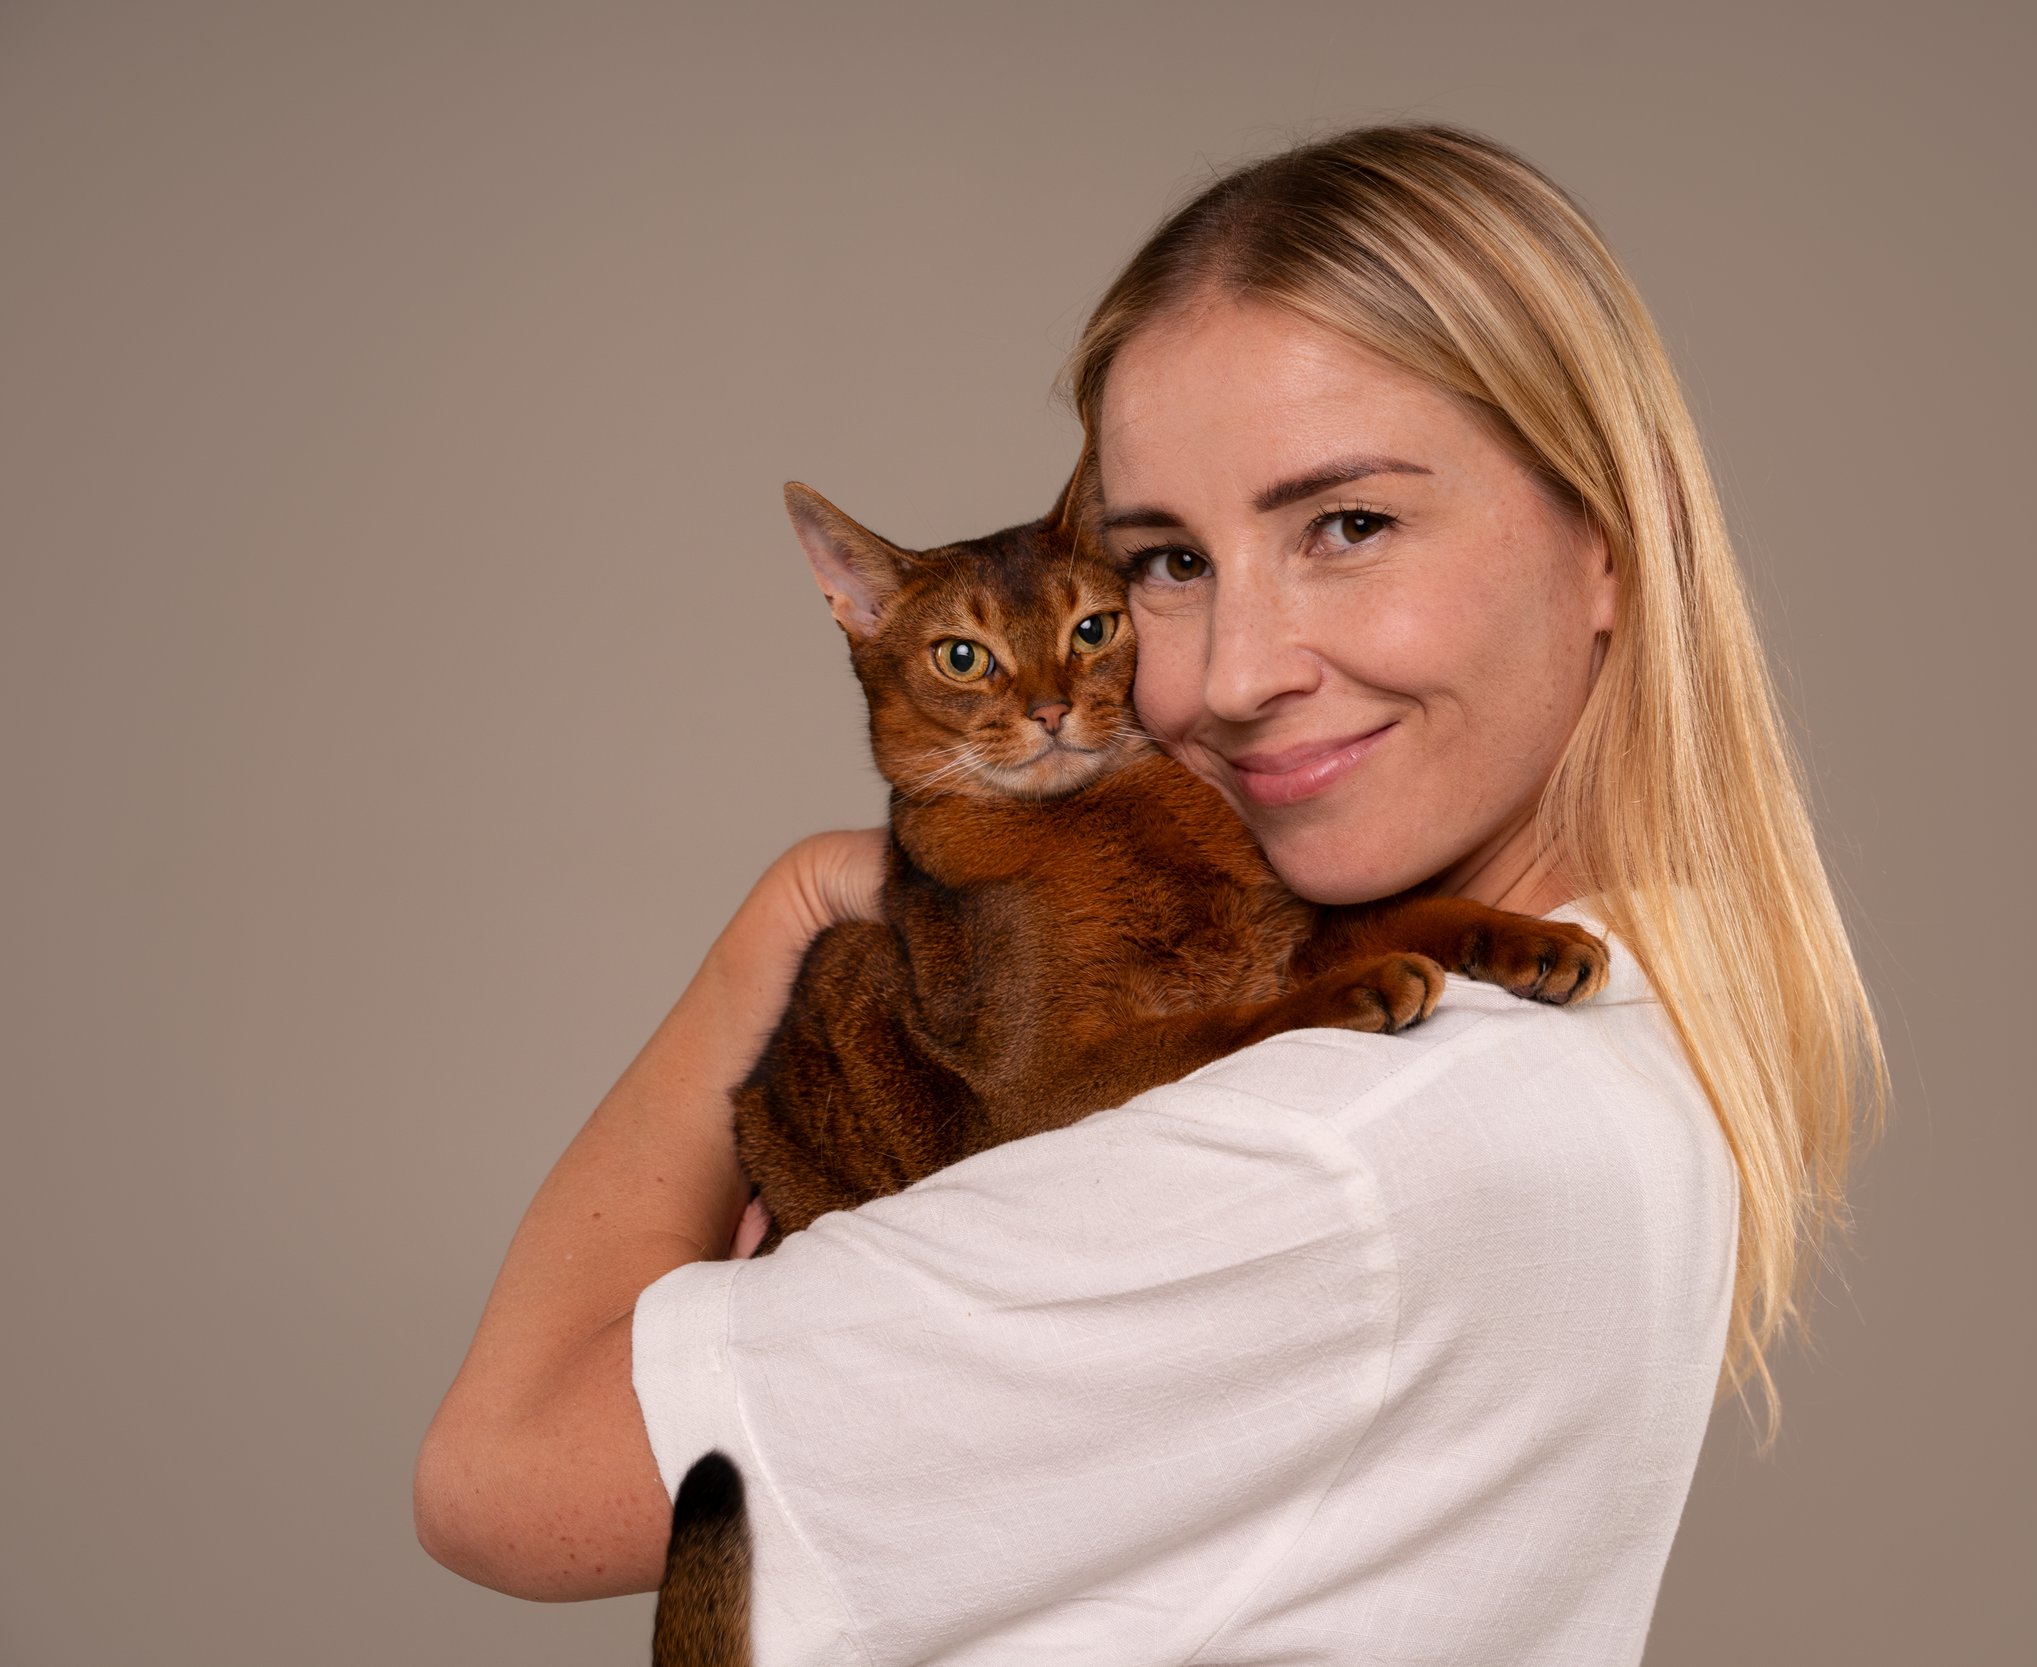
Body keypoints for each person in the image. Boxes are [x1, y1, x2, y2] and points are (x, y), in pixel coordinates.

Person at [415, 123, 1886, 1662]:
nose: (1239, 675)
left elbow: (496, 1473)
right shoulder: (1613, 1025)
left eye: (1352, 524)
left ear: (1613, 540)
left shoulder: (1314, 1162)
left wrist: (778, 921)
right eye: (1169, 563)